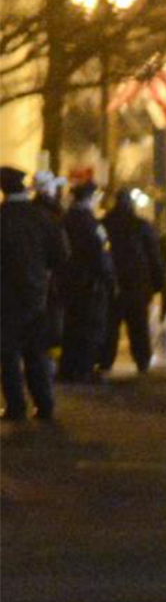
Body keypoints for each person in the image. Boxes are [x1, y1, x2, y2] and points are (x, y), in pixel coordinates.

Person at [1, 166, 69, 420]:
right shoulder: (42, 217)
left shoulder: (2, 217)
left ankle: (16, 406)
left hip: (5, 297)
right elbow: (61, 256)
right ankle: (44, 403)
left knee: (8, 354)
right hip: (37, 295)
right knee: (36, 351)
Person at [54, 181, 115, 382]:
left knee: (71, 326)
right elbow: (101, 255)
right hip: (90, 285)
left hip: (67, 283)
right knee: (91, 327)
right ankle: (84, 369)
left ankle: (68, 367)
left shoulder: (63, 221)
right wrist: (109, 279)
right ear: (91, 199)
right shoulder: (91, 224)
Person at [100, 189, 164, 373]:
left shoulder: (105, 224)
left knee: (110, 325)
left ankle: (106, 360)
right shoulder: (142, 226)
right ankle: (142, 360)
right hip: (137, 284)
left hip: (113, 283)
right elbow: (153, 256)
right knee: (138, 325)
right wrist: (157, 283)